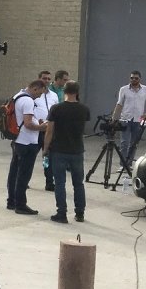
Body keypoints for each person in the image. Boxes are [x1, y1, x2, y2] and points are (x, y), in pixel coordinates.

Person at [44, 81, 90, 223]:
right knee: (78, 183)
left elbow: (49, 131)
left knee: (60, 183)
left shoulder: (56, 108)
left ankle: (62, 213)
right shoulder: (84, 109)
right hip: (77, 150)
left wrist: (45, 148)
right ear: (77, 92)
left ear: (64, 91)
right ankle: (80, 213)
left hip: (59, 150)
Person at [6, 79, 48, 215]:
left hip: (17, 140)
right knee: (24, 175)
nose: (39, 96)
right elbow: (28, 123)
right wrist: (41, 127)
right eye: (39, 93)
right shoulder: (28, 101)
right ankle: (21, 204)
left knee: (14, 171)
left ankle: (11, 201)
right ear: (35, 88)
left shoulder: (17, 96)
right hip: (27, 142)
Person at [110, 70, 146, 166]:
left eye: (136, 78)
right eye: (132, 78)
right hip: (125, 119)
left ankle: (129, 164)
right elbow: (119, 104)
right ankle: (123, 164)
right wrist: (114, 118)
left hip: (138, 120)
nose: (133, 80)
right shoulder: (124, 89)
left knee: (134, 143)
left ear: (140, 79)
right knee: (124, 143)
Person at [37, 70, 59, 191]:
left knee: (48, 157)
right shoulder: (34, 94)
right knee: (29, 157)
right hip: (35, 130)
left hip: (49, 131)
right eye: (44, 78)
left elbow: (57, 112)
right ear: (39, 79)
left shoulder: (54, 95)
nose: (46, 81)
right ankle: (24, 181)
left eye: (48, 79)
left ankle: (49, 182)